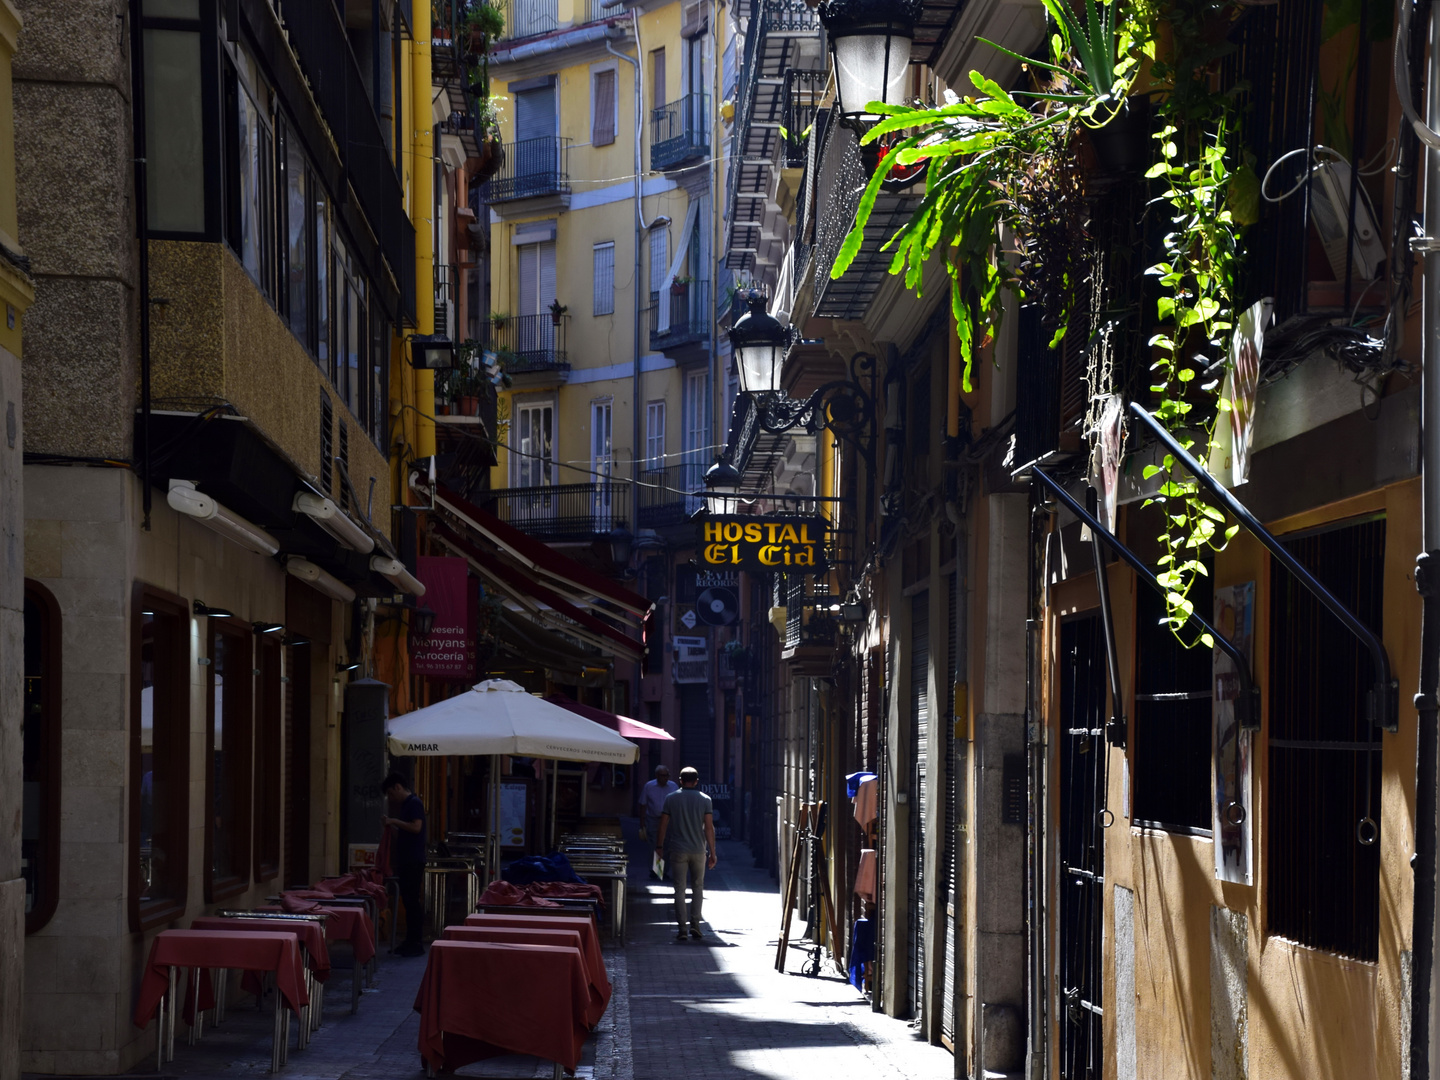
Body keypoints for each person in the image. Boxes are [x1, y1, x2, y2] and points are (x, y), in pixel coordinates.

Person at [655, 766, 717, 941]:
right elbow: (709, 828)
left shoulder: (671, 799)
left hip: (677, 849)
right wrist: (712, 852)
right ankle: (695, 925)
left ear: (680, 781)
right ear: (696, 781)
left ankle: (682, 928)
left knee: (679, 889)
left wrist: (659, 846)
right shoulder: (705, 799)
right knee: (698, 887)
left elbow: (663, 824)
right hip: (698, 850)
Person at [382, 772, 427, 956]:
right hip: (407, 858)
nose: (391, 799)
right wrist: (391, 828)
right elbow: (405, 834)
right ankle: (410, 940)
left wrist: (394, 821)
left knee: (412, 901)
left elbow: (416, 827)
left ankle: (415, 942)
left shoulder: (414, 803)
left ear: (397, 787)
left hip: (413, 860)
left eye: (391, 794)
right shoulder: (406, 805)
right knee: (408, 901)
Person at [639, 766, 678, 878]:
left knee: (666, 845)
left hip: (668, 820)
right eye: (663, 775)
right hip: (653, 819)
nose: (665, 778)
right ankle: (656, 871)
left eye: (667, 775)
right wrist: (642, 823)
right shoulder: (649, 786)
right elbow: (643, 804)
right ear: (657, 776)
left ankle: (663, 871)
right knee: (654, 845)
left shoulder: (673, 786)